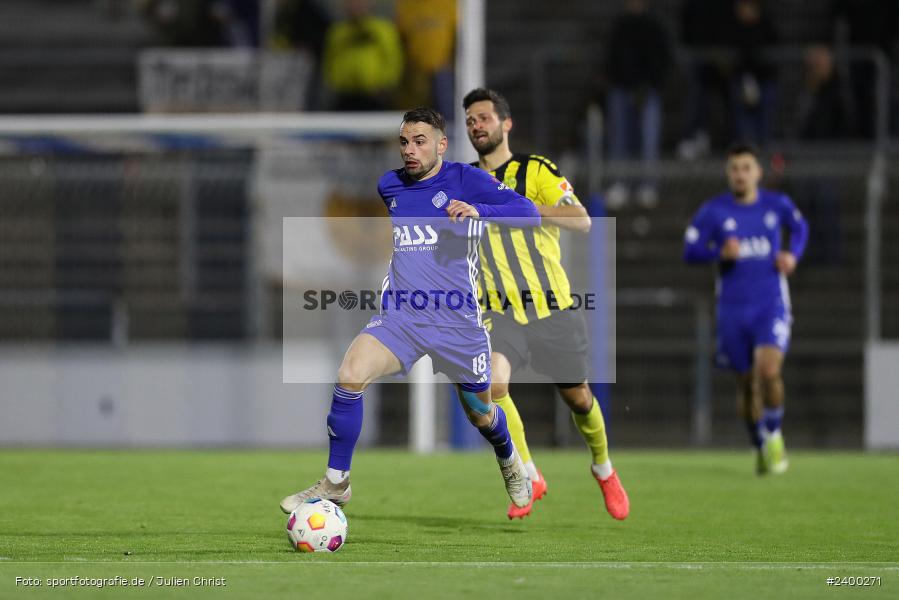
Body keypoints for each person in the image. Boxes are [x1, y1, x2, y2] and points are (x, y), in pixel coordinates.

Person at [280, 107, 541, 515]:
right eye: (404, 142)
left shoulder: (465, 180)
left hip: (457, 321)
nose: (409, 150)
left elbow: (529, 213)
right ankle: (336, 482)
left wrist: (480, 212)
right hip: (403, 316)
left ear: (441, 144)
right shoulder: (390, 186)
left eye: (419, 141)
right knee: (350, 374)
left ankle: (508, 458)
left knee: (480, 414)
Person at [463, 87, 630, 520]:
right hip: (500, 312)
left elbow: (582, 220)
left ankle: (604, 468)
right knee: (491, 387)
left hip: (552, 308)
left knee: (579, 399)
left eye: (483, 117)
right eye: (470, 121)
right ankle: (530, 474)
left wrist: (520, 210)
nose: (476, 125)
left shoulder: (535, 169)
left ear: (506, 123)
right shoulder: (463, 180)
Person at [683, 143, 809, 475]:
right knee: (745, 383)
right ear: (728, 174)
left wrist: (792, 255)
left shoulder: (775, 204)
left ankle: (775, 436)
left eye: (746, 168)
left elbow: (800, 228)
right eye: (734, 169)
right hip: (732, 310)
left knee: (768, 372)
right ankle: (759, 444)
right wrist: (718, 253)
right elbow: (690, 250)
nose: (740, 174)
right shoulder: (714, 211)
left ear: (758, 173)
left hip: (770, 305)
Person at [603, 0, 672, 210]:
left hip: (648, 90)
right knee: (620, 138)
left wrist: (649, 83)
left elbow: (662, 58)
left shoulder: (654, 25)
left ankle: (648, 185)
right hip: (621, 89)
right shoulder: (620, 25)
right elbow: (612, 57)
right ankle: (620, 183)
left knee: (648, 138)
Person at [321, 0, 404, 110]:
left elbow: (393, 61)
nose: (356, 5)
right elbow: (329, 62)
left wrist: (386, 85)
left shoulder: (384, 30)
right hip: (344, 97)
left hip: (376, 97)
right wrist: (336, 83)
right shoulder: (337, 32)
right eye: (351, 2)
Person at [394, 0, 456, 121]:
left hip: (443, 71)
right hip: (416, 71)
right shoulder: (405, 5)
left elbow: (460, 36)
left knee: (447, 112)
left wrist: (452, 62)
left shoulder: (450, 3)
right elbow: (400, 39)